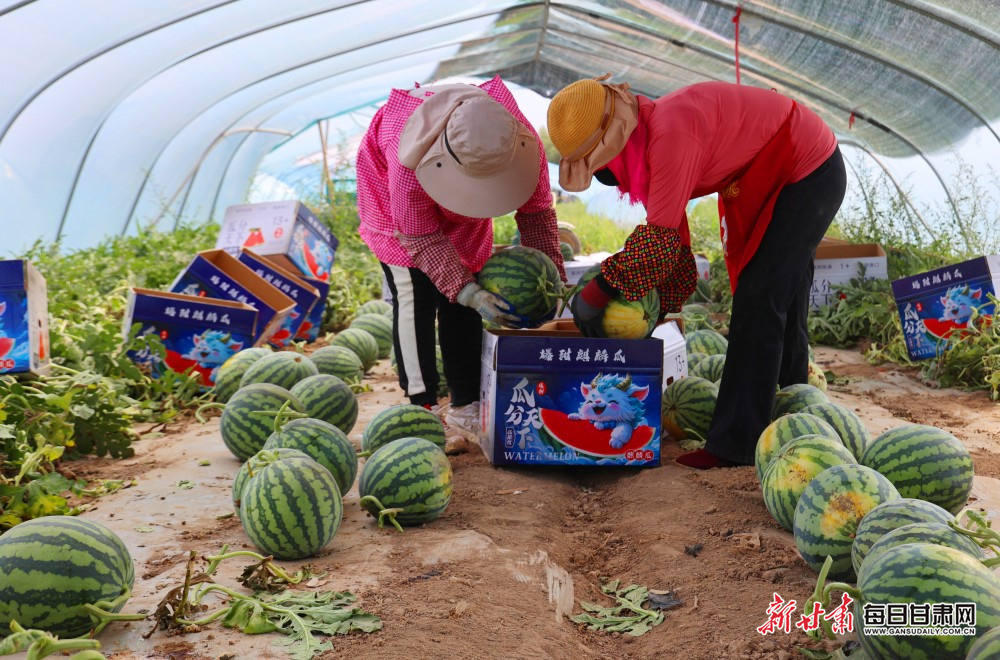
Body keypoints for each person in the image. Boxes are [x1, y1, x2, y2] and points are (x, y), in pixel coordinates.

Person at [546, 75, 845, 469]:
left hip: (806, 171)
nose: (607, 177)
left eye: (602, 167)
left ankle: (736, 444)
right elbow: (674, 244)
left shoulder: (671, 137)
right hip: (784, 167)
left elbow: (659, 243)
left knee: (760, 298)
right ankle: (792, 407)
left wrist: (598, 291)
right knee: (782, 293)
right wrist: (657, 311)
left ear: (615, 146)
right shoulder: (652, 132)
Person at [355, 76, 567, 438]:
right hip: (397, 215)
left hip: (464, 220)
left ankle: (466, 402)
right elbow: (420, 237)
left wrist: (552, 278)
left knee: (466, 295)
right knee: (415, 296)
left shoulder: (520, 139)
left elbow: (537, 216)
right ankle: (421, 406)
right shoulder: (406, 158)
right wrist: (466, 291)